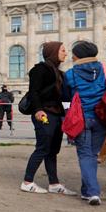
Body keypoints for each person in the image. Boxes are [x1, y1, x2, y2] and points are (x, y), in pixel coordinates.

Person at [64, 41, 106, 204]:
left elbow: (65, 98)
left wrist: (66, 114)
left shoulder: (70, 73)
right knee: (91, 154)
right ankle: (87, 191)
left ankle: (92, 192)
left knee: (85, 155)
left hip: (81, 119)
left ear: (76, 55)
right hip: (102, 118)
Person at [20, 42, 75, 195]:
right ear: (53, 52)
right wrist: (38, 110)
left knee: (52, 150)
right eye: (63, 50)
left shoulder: (59, 73)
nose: (66, 53)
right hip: (44, 113)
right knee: (43, 147)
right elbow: (34, 92)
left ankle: (54, 184)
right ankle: (27, 181)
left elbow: (64, 96)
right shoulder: (40, 69)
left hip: (56, 114)